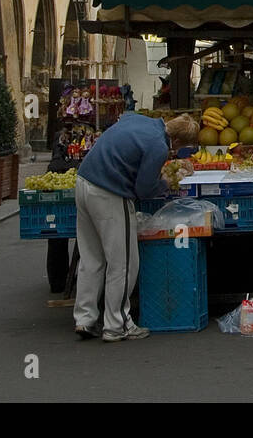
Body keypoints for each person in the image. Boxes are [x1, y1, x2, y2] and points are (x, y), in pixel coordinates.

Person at [73, 111, 200, 342]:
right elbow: (144, 188)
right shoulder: (158, 146)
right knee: (123, 263)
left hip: (83, 182)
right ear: (178, 141)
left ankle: (85, 318)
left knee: (91, 258)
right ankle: (117, 324)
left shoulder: (139, 119)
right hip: (109, 192)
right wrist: (165, 184)